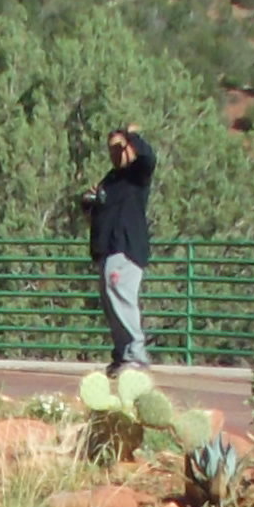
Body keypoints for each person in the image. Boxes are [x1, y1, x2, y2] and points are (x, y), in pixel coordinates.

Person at [81, 125, 157, 370]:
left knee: (122, 299)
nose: (114, 153)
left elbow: (148, 157)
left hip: (125, 249)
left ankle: (135, 354)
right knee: (111, 304)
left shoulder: (137, 174)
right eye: (110, 149)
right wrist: (88, 203)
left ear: (129, 148)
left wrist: (133, 136)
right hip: (107, 250)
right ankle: (122, 354)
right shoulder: (111, 179)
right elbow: (99, 207)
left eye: (118, 148)